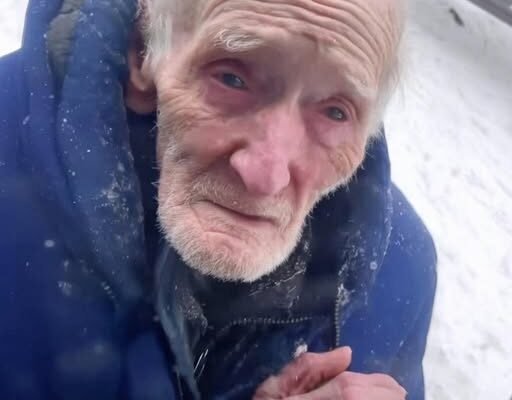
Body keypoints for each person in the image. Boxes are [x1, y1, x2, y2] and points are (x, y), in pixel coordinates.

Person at [0, 0, 437, 399]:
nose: (267, 176)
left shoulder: (397, 271)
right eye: (231, 78)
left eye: (335, 112)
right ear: (144, 48)